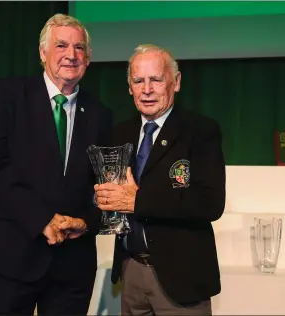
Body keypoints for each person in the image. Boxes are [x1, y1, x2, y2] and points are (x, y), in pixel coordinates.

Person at [0, 13, 113, 315]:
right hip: (9, 257)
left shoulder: (101, 113)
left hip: (72, 268)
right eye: (61, 46)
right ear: (42, 52)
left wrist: (86, 221)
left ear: (88, 58)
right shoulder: (7, 95)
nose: (71, 55)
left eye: (79, 48)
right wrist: (42, 219)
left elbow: (105, 184)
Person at [94, 44, 225, 315]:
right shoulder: (119, 134)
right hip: (131, 271)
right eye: (138, 81)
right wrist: (101, 198)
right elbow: (113, 195)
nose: (147, 89)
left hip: (181, 280)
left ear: (175, 82)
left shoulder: (201, 131)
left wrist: (137, 200)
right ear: (130, 87)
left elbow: (209, 203)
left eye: (156, 79)